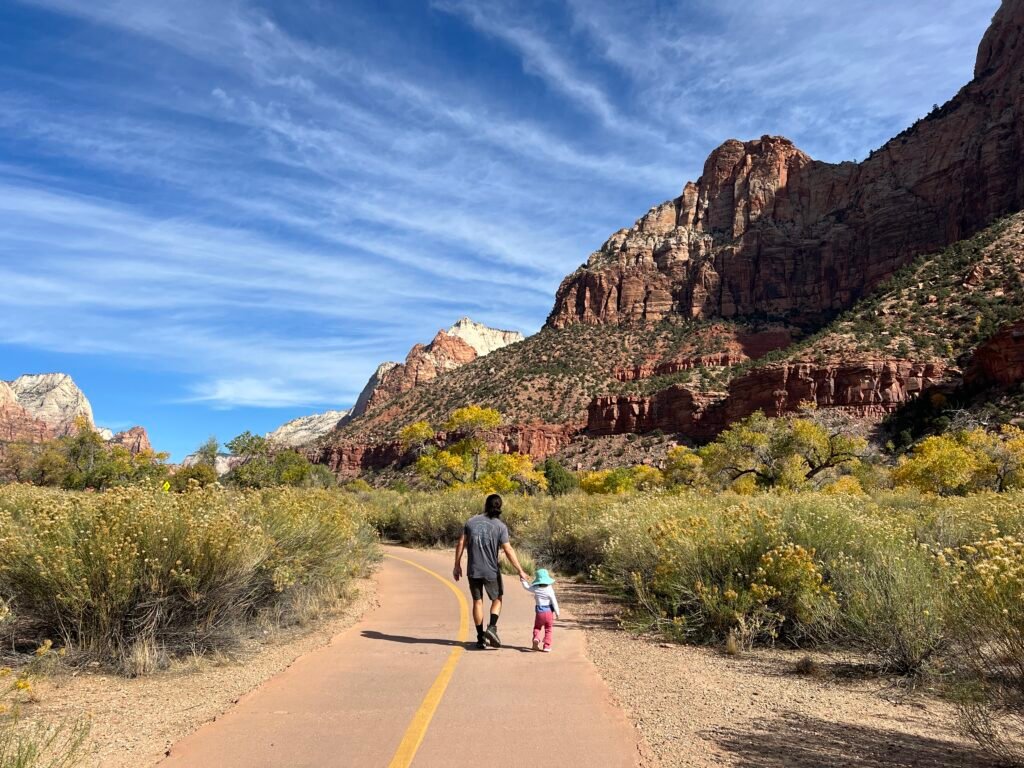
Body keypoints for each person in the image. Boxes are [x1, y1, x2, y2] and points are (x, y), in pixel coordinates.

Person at [453, 494, 529, 649]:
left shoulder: (471, 522)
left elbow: (461, 542)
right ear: (499, 507)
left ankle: (481, 638)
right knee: (498, 598)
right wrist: (519, 570)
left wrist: (457, 565)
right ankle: (492, 628)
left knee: (477, 602)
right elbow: (507, 549)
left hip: (473, 569)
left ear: (485, 505)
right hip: (491, 570)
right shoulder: (500, 526)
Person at [520, 569, 559, 652]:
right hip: (549, 612)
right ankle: (547, 646)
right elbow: (554, 601)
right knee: (548, 629)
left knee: (537, 627)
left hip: (539, 612)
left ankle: (537, 638)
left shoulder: (536, 588)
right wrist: (557, 613)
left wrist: (523, 581)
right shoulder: (549, 589)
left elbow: (527, 587)